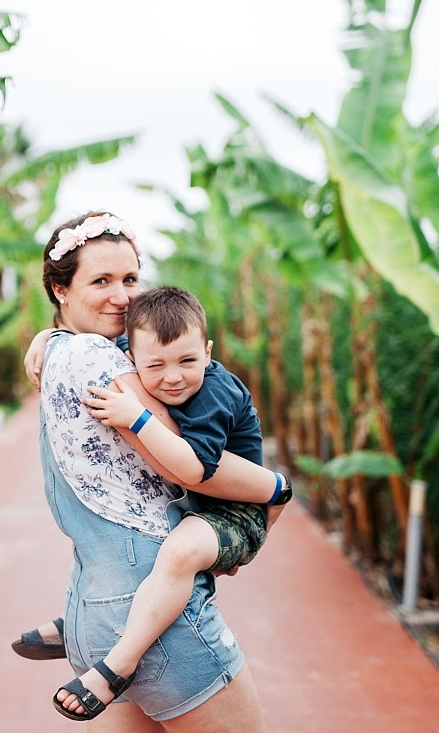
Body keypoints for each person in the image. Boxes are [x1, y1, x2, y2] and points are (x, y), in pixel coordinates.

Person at [20, 210, 284, 730]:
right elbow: (190, 465)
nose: (123, 296)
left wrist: (48, 336)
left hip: (94, 607)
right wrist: (277, 487)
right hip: (155, 610)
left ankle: (70, 631)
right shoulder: (107, 364)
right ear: (59, 289)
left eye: (130, 279)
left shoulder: (72, 352)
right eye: (101, 281)